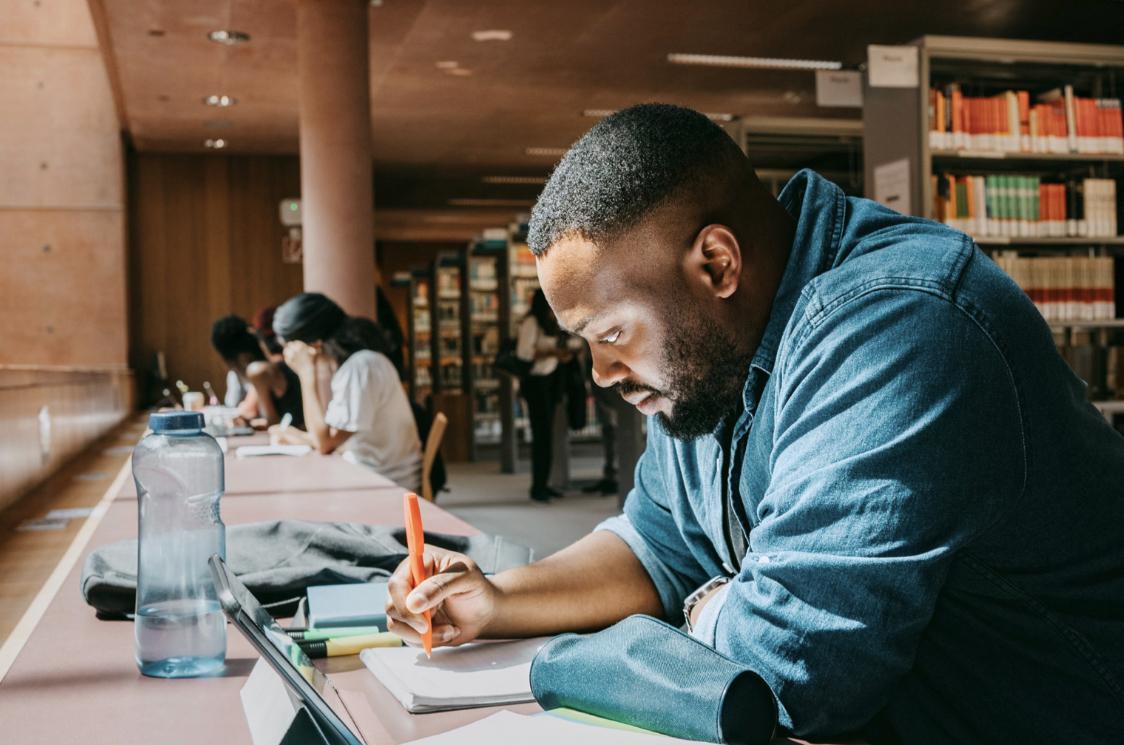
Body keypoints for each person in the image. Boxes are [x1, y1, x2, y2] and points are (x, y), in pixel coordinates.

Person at [385, 104, 1124, 744]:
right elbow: (660, 544)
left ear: (715, 263)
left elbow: (796, 671)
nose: (600, 375)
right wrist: (501, 598)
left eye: (610, 333)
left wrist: (709, 608)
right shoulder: (708, 356)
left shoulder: (900, 325)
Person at [270, 292, 422, 492]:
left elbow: (325, 444)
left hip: (385, 484)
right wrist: (295, 436)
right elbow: (331, 438)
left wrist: (306, 373)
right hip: (372, 476)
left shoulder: (360, 368)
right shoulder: (360, 363)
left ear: (313, 343)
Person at [516, 288, 572, 502]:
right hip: (536, 384)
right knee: (541, 436)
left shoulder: (551, 324)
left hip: (551, 382)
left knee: (548, 436)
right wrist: (552, 353)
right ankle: (537, 486)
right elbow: (524, 354)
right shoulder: (531, 323)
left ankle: (544, 483)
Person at [210, 314, 304, 427]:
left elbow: (272, 423)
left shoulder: (258, 371)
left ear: (242, 359)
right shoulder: (277, 365)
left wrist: (248, 422)